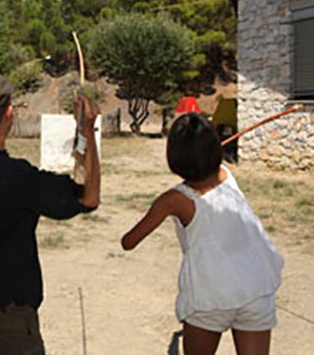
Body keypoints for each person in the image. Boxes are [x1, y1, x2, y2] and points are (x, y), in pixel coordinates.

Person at [0, 73, 101, 355]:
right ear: (9, 114)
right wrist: (87, 129)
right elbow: (89, 197)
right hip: (6, 301)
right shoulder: (17, 177)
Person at [121, 113, 284, 355]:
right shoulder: (225, 174)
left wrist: (152, 212)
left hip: (210, 294)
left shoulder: (173, 199)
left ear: (174, 157)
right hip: (256, 286)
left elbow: (128, 241)